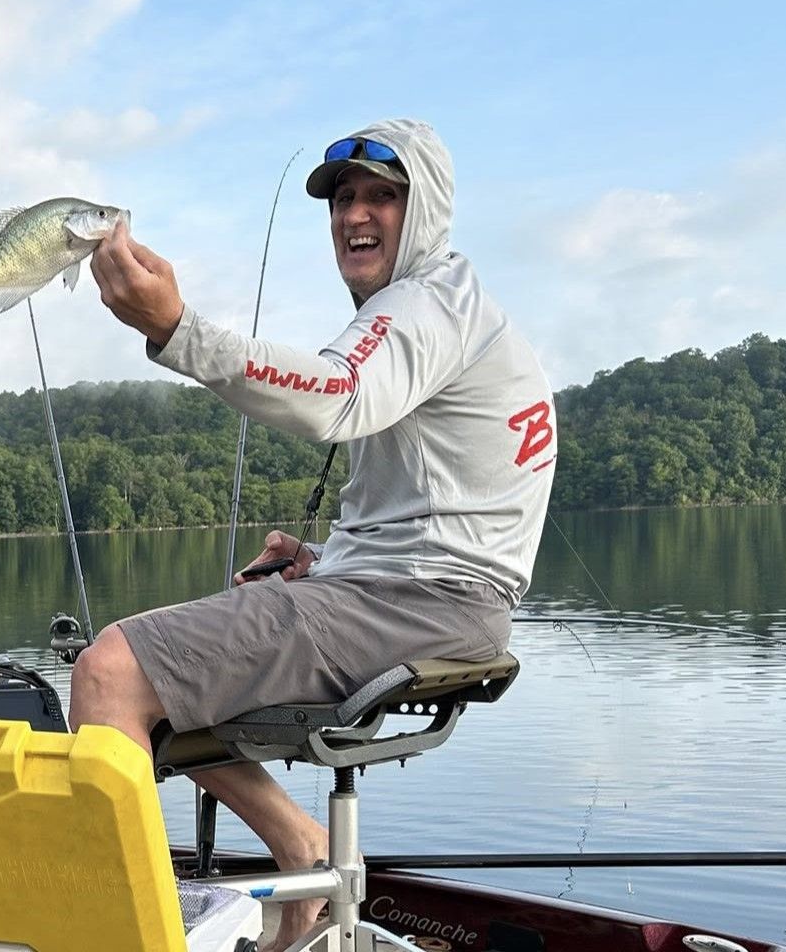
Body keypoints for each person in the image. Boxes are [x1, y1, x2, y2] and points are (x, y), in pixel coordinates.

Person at [79, 118, 557, 947]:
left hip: (420, 601)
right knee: (158, 677)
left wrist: (177, 328)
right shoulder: (453, 311)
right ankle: (301, 848)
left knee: (109, 671)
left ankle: (127, 932)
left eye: (381, 196)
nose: (354, 215)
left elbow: (336, 393)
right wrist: (324, 561)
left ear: (425, 210)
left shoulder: (425, 304)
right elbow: (449, 511)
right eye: (342, 200)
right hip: (433, 596)